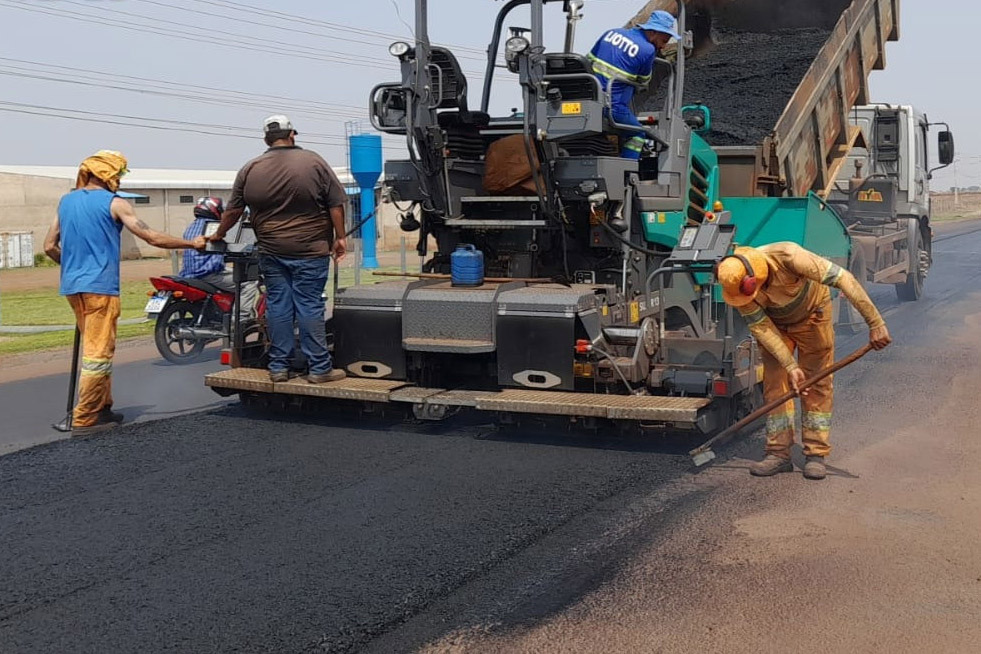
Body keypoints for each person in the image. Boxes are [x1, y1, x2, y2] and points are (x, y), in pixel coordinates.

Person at [43, 150, 206, 436]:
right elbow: (150, 236)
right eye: (118, 174)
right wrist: (192, 244)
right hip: (100, 288)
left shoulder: (65, 202)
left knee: (96, 347)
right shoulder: (115, 203)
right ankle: (85, 418)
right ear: (108, 174)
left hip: (73, 287)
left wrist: (72, 267)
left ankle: (102, 406)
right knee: (97, 354)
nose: (119, 179)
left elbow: (49, 246)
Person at [716, 242, 892, 480]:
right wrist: (790, 365)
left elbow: (845, 279)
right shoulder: (737, 285)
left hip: (813, 317)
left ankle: (816, 454)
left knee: (817, 384)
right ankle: (778, 453)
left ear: (754, 278)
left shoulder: (790, 257)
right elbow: (762, 327)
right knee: (775, 386)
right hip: (776, 326)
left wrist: (875, 322)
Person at [208, 115, 348, 384]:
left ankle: (279, 367)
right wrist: (340, 238)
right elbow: (335, 205)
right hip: (310, 250)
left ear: (266, 139)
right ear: (292, 134)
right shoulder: (314, 162)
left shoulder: (251, 168)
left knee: (278, 306)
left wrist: (218, 233)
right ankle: (319, 368)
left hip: (271, 251)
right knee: (309, 306)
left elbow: (234, 210)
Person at [588, 10, 680, 159]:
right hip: (612, 106)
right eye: (664, 41)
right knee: (638, 134)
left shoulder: (611, 33)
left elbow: (589, 59)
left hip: (589, 98)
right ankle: (627, 168)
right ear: (653, 32)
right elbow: (643, 81)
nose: (663, 47)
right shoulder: (648, 50)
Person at [178, 196, 259, 319]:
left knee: (231, 273)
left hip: (189, 273)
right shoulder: (215, 227)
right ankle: (240, 319)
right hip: (208, 273)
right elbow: (230, 247)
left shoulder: (191, 226)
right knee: (249, 282)